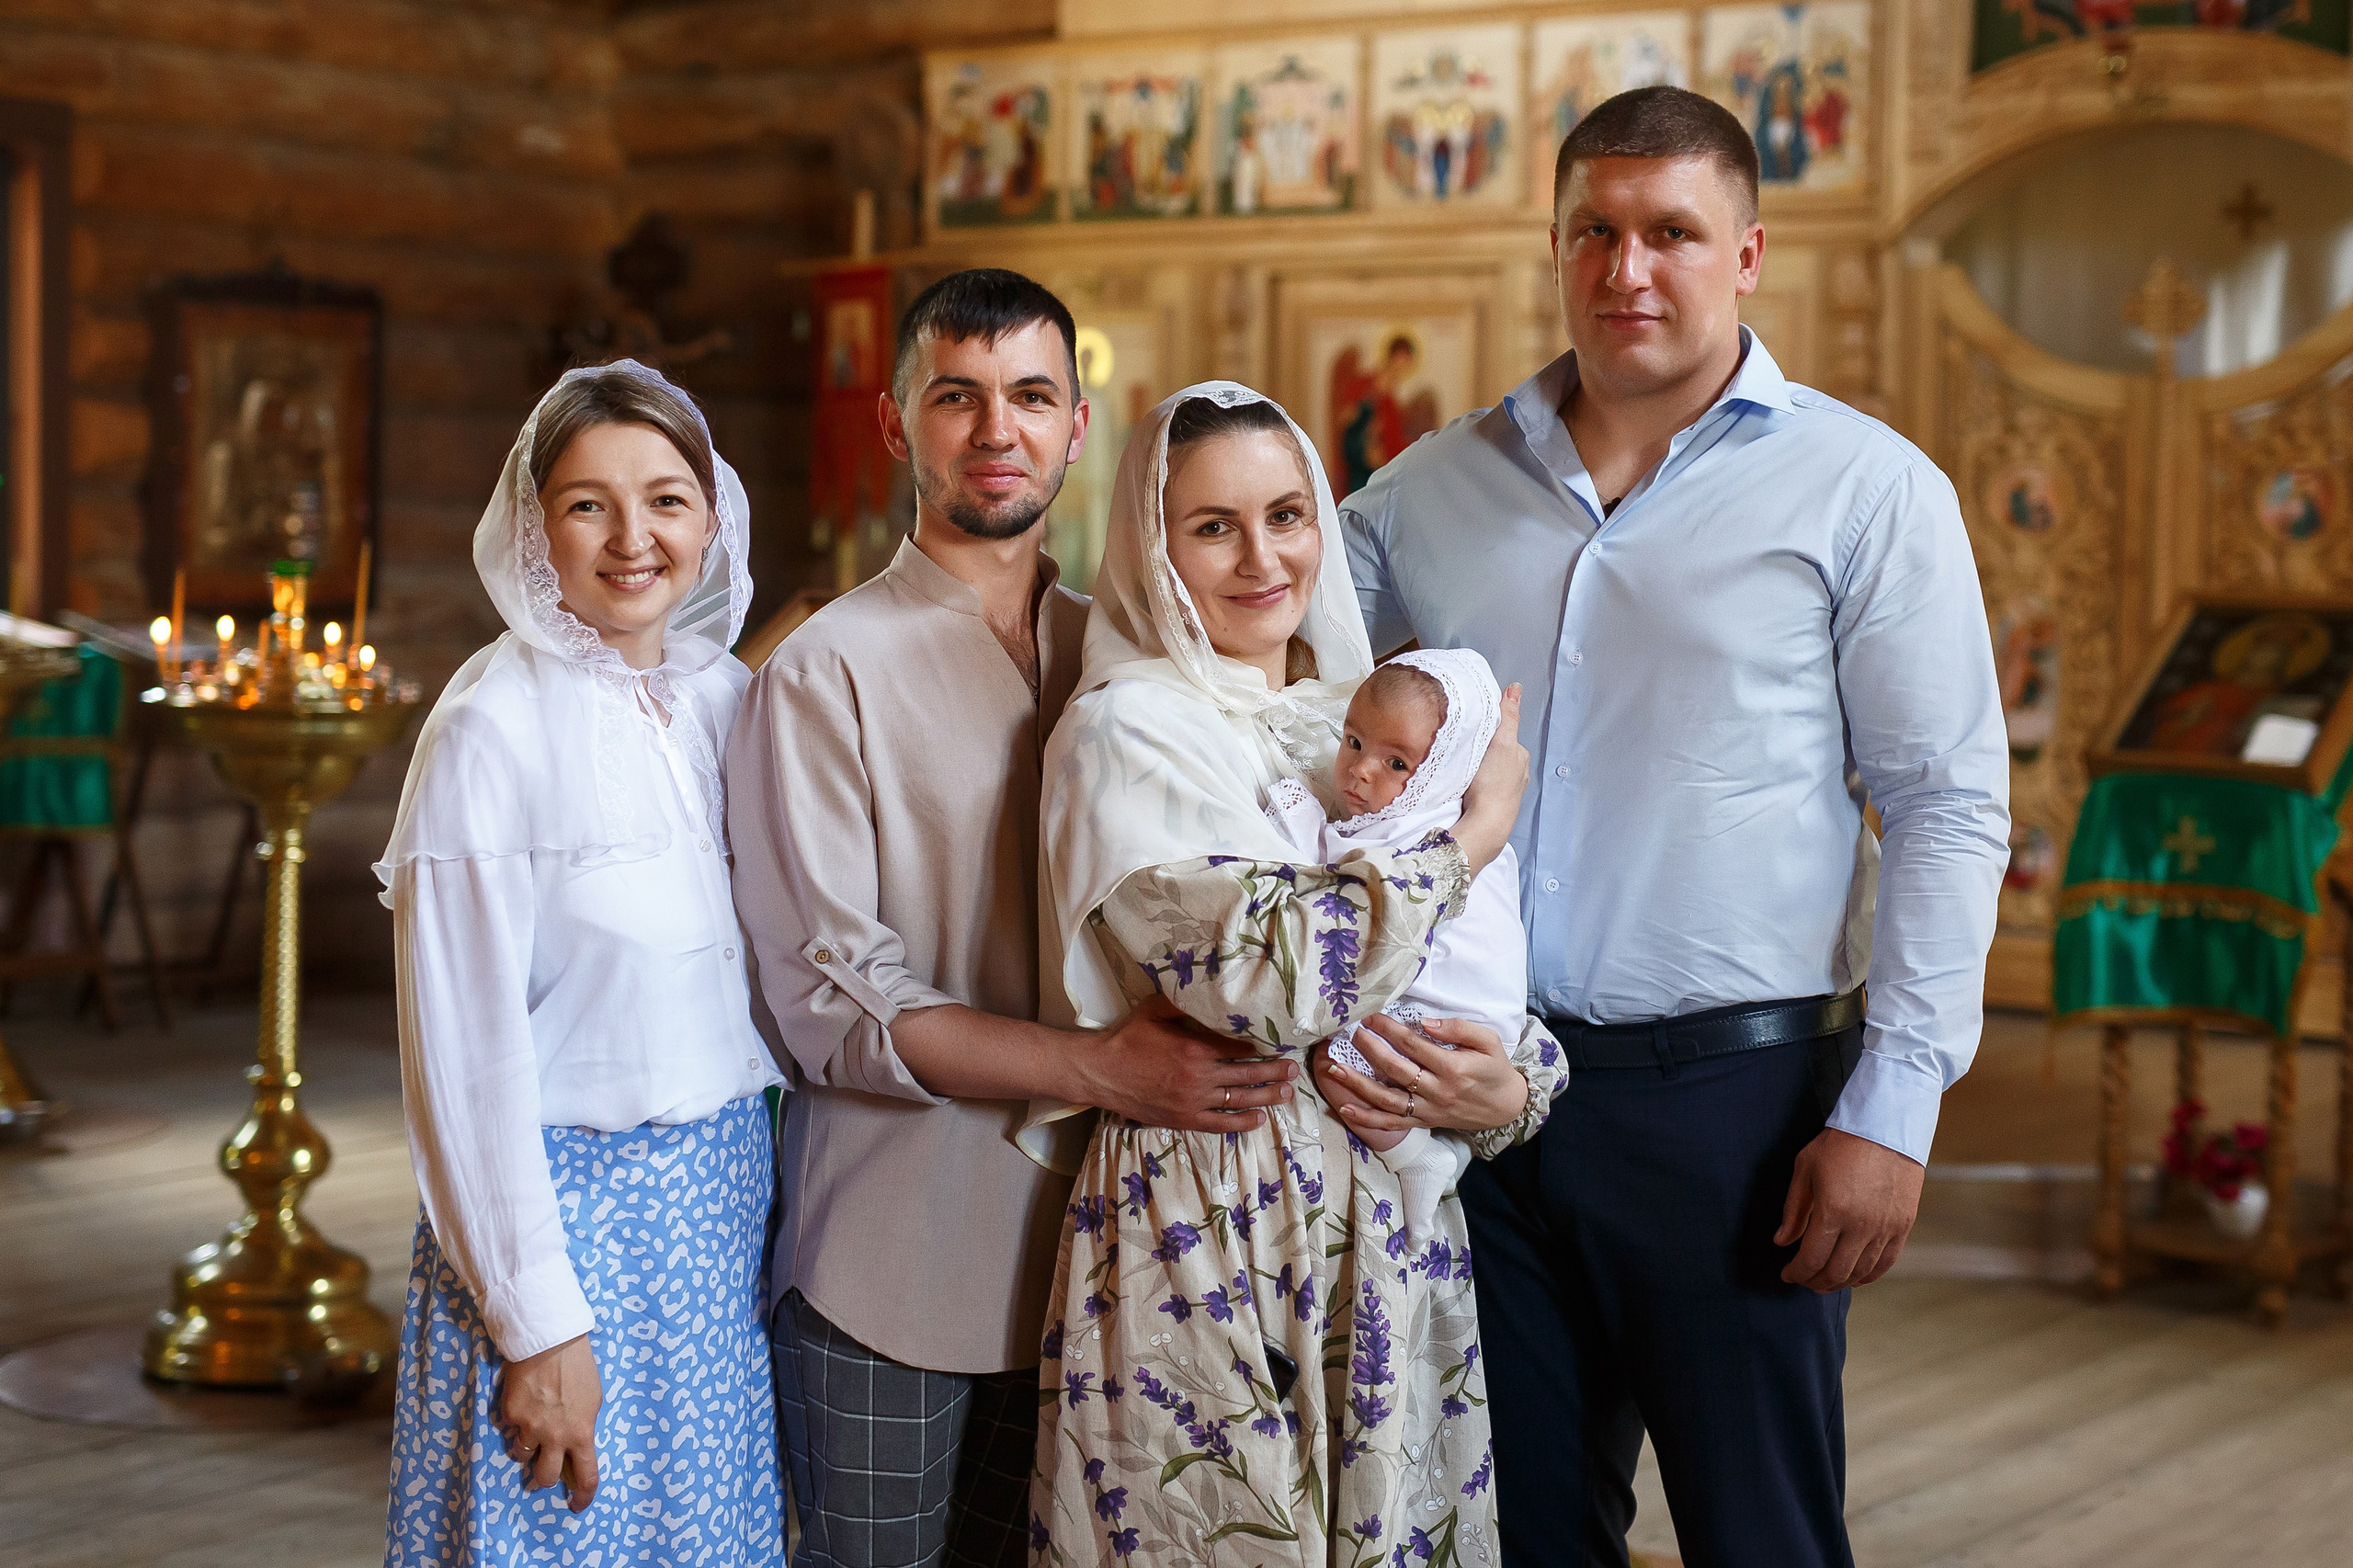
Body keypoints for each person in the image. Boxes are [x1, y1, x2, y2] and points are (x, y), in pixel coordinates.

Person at [1335, 85, 2010, 1568]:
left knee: (1761, 1536)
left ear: (1748, 253)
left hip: (1740, 1116)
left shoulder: (1866, 489)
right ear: (1556, 244)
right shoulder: (1424, 495)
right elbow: (1288, 707)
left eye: (1671, 233)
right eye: (1595, 231)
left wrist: (1893, 1110)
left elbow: (1950, 806)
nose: (1627, 269)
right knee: (1511, 1536)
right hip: (1483, 1101)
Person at [727, 270, 1284, 1568]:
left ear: (1079, 426)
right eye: (957, 398)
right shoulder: (822, 668)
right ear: (896, 424)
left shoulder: (1129, 659)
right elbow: (829, 1002)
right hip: (888, 1258)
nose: (997, 431)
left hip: (1103, 1254)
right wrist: (1100, 1065)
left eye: (1032, 396)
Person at [1030, 384, 1566, 1567]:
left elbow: (1480, 966)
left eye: (1286, 514)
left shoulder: (1361, 720)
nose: (1261, 556)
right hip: (1214, 1217)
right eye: (1212, 525)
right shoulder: (1128, 732)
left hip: (1385, 1226)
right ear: (1150, 545)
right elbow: (1270, 982)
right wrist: (1468, 835)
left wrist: (1510, 1082)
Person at [379, 360, 784, 1565]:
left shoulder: (727, 699)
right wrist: (537, 1322)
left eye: (666, 498)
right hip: (563, 1236)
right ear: (533, 525)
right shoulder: (486, 732)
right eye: (587, 504)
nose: (632, 537)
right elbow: (462, 1064)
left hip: (712, 1231)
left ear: (712, 519)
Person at [1265, 650, 1530, 1249]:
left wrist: (1300, 817)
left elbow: (1345, 903)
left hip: (1449, 1029)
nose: (1359, 772)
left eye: (1396, 762)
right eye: (1353, 742)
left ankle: (1417, 1159)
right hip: (1489, 1037)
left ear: (1445, 768)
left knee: (1337, 1066)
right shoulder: (1462, 825)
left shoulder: (1421, 836)